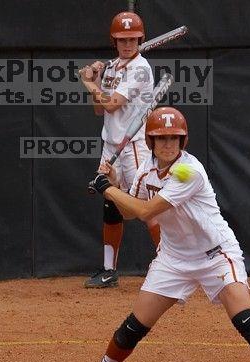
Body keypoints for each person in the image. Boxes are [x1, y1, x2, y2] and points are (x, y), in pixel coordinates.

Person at [72, 107, 250, 362]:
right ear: (150, 141)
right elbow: (131, 211)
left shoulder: (190, 171)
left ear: (183, 141)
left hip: (216, 253)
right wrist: (116, 184)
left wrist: (106, 189)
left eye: (175, 138)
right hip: (174, 258)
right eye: (162, 138)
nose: (169, 144)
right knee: (133, 326)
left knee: (246, 320)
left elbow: (147, 212)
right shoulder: (146, 170)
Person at [78, 11, 159, 288]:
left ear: (140, 39)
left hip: (134, 145)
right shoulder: (113, 67)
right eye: (122, 39)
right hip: (111, 143)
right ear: (114, 41)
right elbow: (100, 109)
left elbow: (112, 103)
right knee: (111, 201)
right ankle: (108, 270)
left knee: (148, 207)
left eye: (133, 39)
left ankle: (171, 264)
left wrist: (88, 82)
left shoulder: (140, 68)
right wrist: (98, 79)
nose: (128, 44)